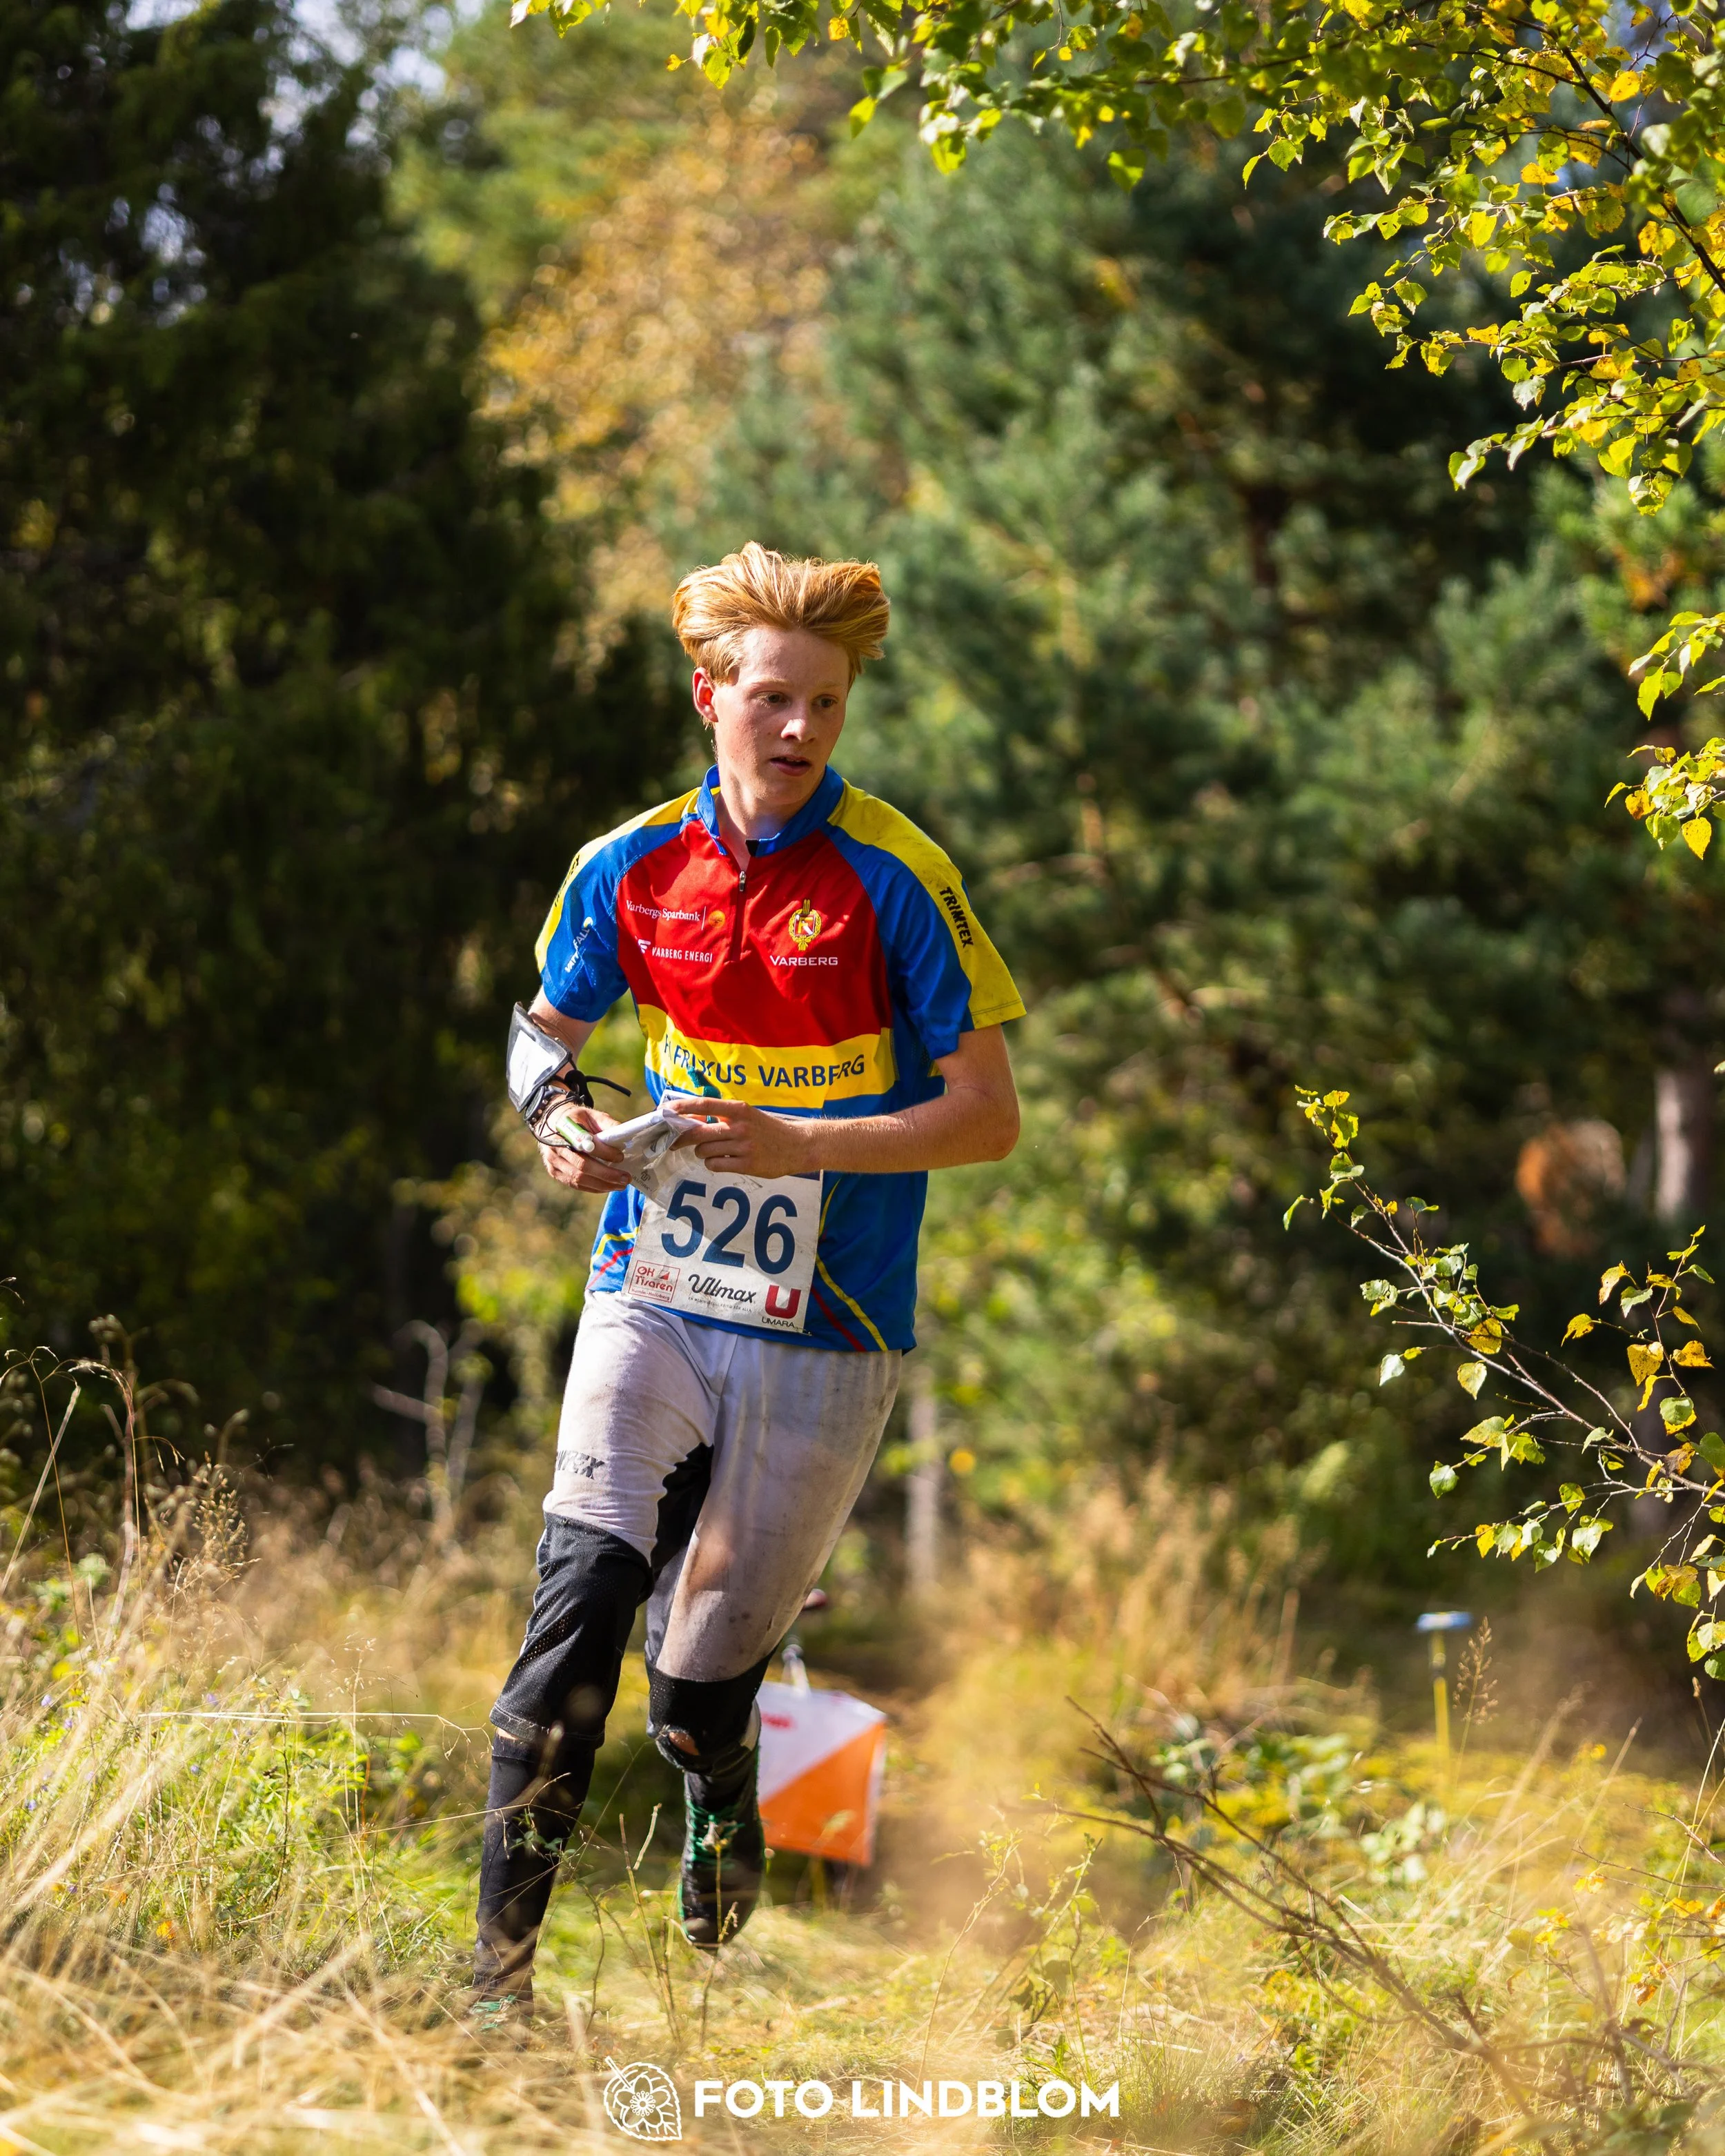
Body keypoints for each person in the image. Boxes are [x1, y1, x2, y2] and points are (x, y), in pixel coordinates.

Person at [472, 542, 1024, 2012]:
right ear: (708, 694)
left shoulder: (895, 875)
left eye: (825, 707)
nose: (797, 732)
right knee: (575, 1604)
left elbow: (988, 1112)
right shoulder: (627, 863)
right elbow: (539, 1033)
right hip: (650, 1284)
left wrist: (805, 1144)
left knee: (692, 1680)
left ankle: (723, 1774)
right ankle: (491, 1990)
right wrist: (556, 1114)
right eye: (771, 699)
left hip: (827, 1321)